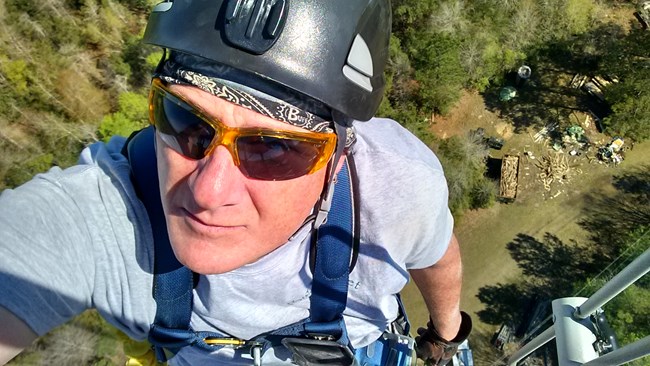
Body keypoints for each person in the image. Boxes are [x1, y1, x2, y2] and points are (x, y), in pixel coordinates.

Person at [0, 1, 471, 365]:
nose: (207, 191)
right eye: (184, 119)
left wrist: (445, 336)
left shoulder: (399, 184)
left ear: (340, 154)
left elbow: (437, 255)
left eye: (274, 148)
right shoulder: (111, 215)